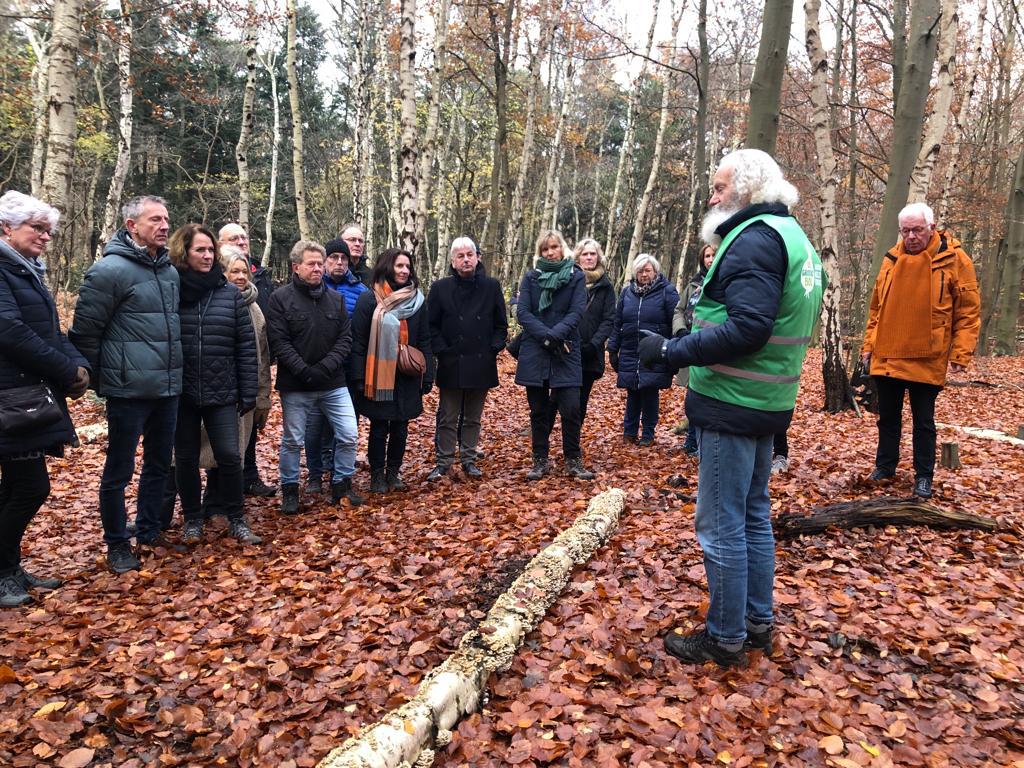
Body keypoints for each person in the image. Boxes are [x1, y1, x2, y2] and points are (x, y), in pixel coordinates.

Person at [637, 149, 825, 668]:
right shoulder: (793, 235)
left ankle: (725, 638)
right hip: (768, 399)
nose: (712, 197)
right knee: (753, 516)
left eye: (719, 187)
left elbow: (748, 328)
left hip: (732, 400)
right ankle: (757, 624)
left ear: (746, 189)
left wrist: (671, 350)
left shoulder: (754, 240)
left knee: (721, 525)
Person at [70, 195, 182, 574]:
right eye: (155, 220)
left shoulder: (169, 272)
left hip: (167, 388)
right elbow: (85, 334)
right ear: (132, 225)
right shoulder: (108, 271)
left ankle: (149, 531)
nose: (164, 226)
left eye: (166, 219)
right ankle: (117, 543)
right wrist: (103, 382)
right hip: (127, 391)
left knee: (158, 465)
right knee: (118, 471)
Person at [0, 191, 89, 606]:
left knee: (16, 487)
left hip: (25, 396)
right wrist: (64, 369)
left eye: (49, 230)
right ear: (6, 228)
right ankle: (3, 573)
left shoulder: (26, 270)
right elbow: (10, 332)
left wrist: (78, 365)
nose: (45, 237)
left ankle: (9, 566)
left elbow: (50, 331)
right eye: (37, 228)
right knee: (30, 488)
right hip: (11, 399)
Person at [861, 202, 980, 499]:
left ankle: (923, 476)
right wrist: (869, 346)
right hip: (888, 352)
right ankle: (885, 467)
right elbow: (876, 309)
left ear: (932, 227)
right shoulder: (891, 258)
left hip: (928, 355)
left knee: (923, 421)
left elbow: (968, 311)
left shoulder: (955, 259)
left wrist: (961, 353)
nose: (911, 237)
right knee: (888, 417)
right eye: (906, 231)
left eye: (917, 230)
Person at [167, 225, 260, 545]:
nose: (207, 256)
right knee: (185, 459)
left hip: (222, 391)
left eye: (211, 250)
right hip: (182, 393)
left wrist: (249, 391)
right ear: (184, 253)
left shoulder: (228, 294)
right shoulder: (171, 290)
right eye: (200, 250)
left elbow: (245, 346)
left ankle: (237, 518)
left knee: (230, 457)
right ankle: (192, 519)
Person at [266, 240, 363, 513]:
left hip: (333, 383)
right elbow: (279, 342)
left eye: (320, 264)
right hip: (296, 384)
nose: (318, 268)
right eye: (311, 264)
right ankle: (290, 490)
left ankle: (341, 484)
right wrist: (304, 371)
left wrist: (323, 369)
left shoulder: (336, 299)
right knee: (293, 440)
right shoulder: (280, 299)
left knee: (349, 434)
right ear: (296, 267)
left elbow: (345, 339)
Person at [349, 248, 434, 493]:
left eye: (408, 266)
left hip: (407, 373)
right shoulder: (370, 299)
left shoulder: (417, 301)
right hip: (378, 372)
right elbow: (358, 342)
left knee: (400, 427)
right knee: (378, 427)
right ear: (387, 267)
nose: (405, 271)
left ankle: (393, 472)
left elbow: (425, 339)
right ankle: (377, 474)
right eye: (399, 266)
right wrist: (358, 377)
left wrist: (428, 374)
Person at [515, 230, 594, 481]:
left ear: (562, 248)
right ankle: (540, 460)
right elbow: (523, 312)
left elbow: (577, 311)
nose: (550, 253)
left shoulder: (575, 276)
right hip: (535, 349)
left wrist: (555, 335)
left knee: (571, 408)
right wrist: (545, 336)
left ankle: (573, 460)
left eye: (554, 247)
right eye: (545, 249)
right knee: (538, 411)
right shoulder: (531, 277)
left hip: (566, 349)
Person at [426, 237, 507, 481]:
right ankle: (443, 462)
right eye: (460, 256)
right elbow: (431, 326)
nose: (466, 260)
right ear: (453, 261)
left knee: (473, 417)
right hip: (452, 361)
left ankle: (469, 460)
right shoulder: (440, 288)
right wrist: (442, 350)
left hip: (481, 361)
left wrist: (493, 348)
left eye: (469, 255)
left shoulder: (491, 286)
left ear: (477, 257)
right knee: (448, 417)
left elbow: (501, 325)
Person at [303, 238, 367, 494]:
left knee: (345, 426)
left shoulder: (361, 291)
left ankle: (339, 475)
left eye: (343, 258)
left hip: (347, 368)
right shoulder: (312, 286)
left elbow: (360, 333)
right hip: (313, 369)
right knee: (314, 426)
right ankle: (315, 474)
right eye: (333, 258)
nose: (339, 262)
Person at [218, 222, 276, 497]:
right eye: (234, 238)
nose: (242, 242)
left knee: (249, 429)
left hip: (254, 366)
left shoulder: (260, 277)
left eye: (244, 237)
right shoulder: (212, 290)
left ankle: (249, 478)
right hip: (221, 378)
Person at [608, 253, 679, 446]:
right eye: (640, 271)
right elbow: (618, 322)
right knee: (632, 392)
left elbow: (676, 321)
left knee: (649, 392)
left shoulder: (667, 292)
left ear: (655, 271)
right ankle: (629, 432)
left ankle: (648, 434)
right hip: (630, 350)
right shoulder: (627, 293)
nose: (644, 274)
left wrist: (674, 352)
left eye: (647, 270)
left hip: (655, 351)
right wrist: (613, 349)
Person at [672, 244, 716, 455]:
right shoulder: (693, 285)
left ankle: (704, 443)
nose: (710, 259)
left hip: (713, 345)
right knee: (693, 395)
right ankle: (691, 441)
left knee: (709, 396)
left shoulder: (725, 283)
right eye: (707, 256)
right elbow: (679, 310)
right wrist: (680, 330)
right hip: (691, 344)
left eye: (714, 255)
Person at [573, 239, 615, 427]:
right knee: (557, 398)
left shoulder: (606, 286)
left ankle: (572, 440)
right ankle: (543, 436)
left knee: (580, 401)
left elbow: (609, 319)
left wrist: (593, 345)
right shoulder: (569, 280)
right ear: (578, 257)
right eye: (585, 254)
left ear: (598, 257)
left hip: (590, 354)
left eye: (592, 254)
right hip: (566, 350)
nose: (589, 257)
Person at [339, 223, 371, 287]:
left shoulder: (372, 276)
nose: (357, 244)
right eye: (352, 240)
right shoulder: (333, 272)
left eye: (360, 241)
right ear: (341, 242)